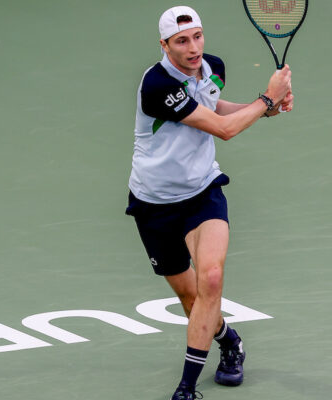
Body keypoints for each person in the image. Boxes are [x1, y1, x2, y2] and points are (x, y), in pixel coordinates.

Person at [125, 5, 293, 400]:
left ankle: (186, 389)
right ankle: (228, 339)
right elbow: (222, 130)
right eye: (182, 41)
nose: (193, 47)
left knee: (211, 280)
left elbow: (214, 108)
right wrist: (267, 98)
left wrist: (266, 109)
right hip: (154, 204)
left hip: (203, 192)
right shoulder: (157, 86)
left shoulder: (212, 66)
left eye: (197, 36)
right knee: (189, 297)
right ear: (164, 45)